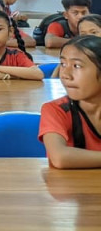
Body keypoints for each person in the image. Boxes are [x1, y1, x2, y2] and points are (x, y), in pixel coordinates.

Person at [39, 35, 101, 168]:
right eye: (63, 64)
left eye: (76, 66)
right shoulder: (56, 109)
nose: (65, 75)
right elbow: (59, 157)